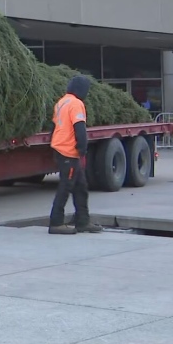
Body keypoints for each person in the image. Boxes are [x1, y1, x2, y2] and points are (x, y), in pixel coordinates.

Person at [48, 75, 103, 235]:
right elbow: (80, 128)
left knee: (81, 187)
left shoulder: (62, 102)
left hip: (61, 149)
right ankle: (56, 223)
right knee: (66, 186)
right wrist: (82, 149)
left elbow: (53, 126)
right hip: (68, 152)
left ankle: (83, 221)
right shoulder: (76, 104)